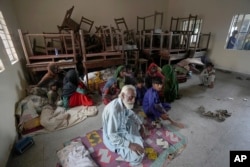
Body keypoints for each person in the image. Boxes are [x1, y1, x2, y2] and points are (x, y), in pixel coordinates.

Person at [102, 85, 145, 166]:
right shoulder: (113, 110)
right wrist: (130, 145)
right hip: (113, 137)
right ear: (122, 95)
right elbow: (112, 135)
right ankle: (124, 149)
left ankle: (133, 140)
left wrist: (141, 124)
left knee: (136, 120)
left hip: (121, 128)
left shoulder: (123, 103)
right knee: (137, 156)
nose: (133, 101)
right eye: (130, 97)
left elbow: (130, 113)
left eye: (134, 97)